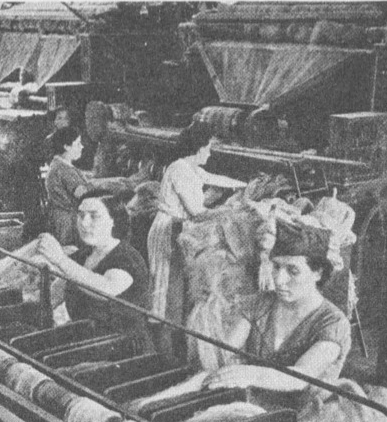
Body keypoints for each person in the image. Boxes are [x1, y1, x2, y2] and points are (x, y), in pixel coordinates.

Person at [202, 219, 351, 422]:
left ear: (317, 273)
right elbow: (225, 350)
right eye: (276, 266)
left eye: (293, 270)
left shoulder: (332, 323)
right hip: (250, 409)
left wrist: (249, 373)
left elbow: (299, 377)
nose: (279, 280)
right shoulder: (259, 303)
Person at [148, 124, 246, 325]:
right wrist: (228, 210)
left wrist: (245, 185)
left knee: (173, 289)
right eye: (208, 148)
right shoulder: (180, 169)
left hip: (175, 229)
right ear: (199, 148)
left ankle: (170, 337)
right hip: (167, 229)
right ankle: (162, 343)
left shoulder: (189, 168)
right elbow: (197, 213)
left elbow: (213, 178)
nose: (210, 154)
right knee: (164, 291)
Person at [37, 189, 153, 350]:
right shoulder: (83, 255)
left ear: (114, 220)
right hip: (88, 339)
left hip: (123, 349)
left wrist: (60, 259)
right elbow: (56, 292)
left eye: (94, 216)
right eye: (81, 215)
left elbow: (104, 288)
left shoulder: (127, 259)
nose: (84, 223)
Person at [44, 127, 90, 245]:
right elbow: (83, 195)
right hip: (68, 224)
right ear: (66, 146)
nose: (82, 147)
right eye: (78, 144)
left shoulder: (57, 164)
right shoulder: (63, 169)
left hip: (60, 219)